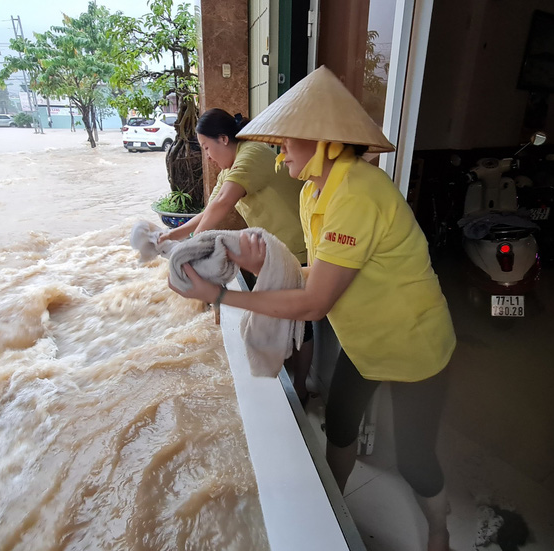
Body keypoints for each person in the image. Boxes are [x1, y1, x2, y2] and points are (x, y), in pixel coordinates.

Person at [168, 67, 457, 551]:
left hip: (413, 342)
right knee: (340, 426)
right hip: (366, 342)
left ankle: (439, 527)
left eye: (288, 144)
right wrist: (259, 260)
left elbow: (315, 301)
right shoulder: (313, 192)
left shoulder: (358, 193)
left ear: (324, 143)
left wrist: (221, 296)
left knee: (415, 459)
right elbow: (313, 276)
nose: (281, 154)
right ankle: (334, 510)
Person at [160, 107, 314, 405]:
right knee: (280, 315)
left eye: (207, 148)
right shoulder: (230, 168)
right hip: (273, 251)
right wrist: (174, 236)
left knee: (299, 323)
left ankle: (301, 389)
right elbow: (211, 208)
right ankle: (290, 383)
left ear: (223, 139)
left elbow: (223, 205)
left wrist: (190, 249)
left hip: (298, 248)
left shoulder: (251, 155)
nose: (207, 156)